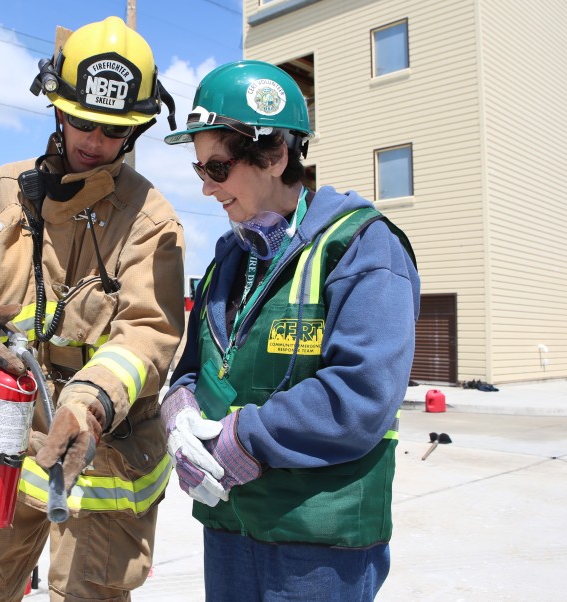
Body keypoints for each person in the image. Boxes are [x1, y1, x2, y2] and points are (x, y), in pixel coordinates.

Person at [0, 15, 185, 602]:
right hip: (6, 433)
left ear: (134, 133)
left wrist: (87, 405)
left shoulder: (150, 222)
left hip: (103, 452)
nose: (93, 139)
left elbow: (148, 331)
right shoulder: (0, 195)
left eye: (112, 131)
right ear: (56, 108)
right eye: (81, 119)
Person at [160, 60, 420, 601]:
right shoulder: (228, 260)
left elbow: (362, 392)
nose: (206, 187)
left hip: (317, 544)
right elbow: (194, 367)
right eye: (200, 169)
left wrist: (245, 437)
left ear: (275, 155)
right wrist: (179, 408)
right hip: (230, 528)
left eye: (218, 168)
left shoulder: (360, 249)